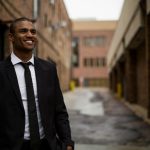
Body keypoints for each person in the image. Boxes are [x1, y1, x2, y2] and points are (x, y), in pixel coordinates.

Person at [0, 17, 74, 150]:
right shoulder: (1, 71)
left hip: (46, 145)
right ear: (11, 37)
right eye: (23, 31)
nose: (29, 35)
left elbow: (60, 111)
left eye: (33, 32)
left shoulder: (49, 69)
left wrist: (67, 142)